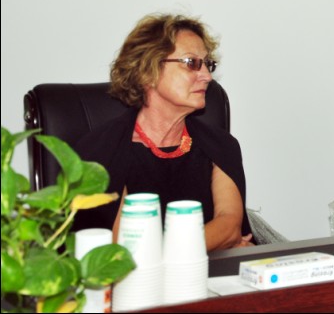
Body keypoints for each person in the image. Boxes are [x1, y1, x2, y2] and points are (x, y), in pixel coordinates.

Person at [74, 14, 253, 250]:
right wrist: (204, 243)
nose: (207, 76)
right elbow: (126, 252)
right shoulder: (103, 151)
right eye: (191, 63)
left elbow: (229, 229)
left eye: (207, 64)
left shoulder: (221, 145)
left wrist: (157, 251)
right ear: (148, 70)